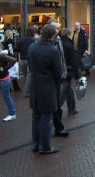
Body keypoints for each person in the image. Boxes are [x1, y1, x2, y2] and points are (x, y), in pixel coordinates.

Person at [27, 24, 61, 154]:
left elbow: (30, 67)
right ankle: (45, 147)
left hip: (35, 86)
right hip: (47, 88)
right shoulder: (53, 50)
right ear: (52, 35)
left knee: (36, 116)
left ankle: (36, 144)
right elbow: (58, 73)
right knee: (46, 118)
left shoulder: (32, 47)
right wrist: (55, 83)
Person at [49, 19, 70, 137]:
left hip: (58, 77)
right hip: (49, 79)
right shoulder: (47, 42)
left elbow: (62, 58)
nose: (58, 30)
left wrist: (64, 71)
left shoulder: (58, 40)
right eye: (56, 28)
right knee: (51, 105)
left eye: (58, 28)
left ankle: (59, 127)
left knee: (57, 105)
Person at [60, 28, 80, 115]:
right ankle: (54, 110)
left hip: (60, 70)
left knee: (69, 90)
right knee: (63, 92)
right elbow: (73, 62)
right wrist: (77, 76)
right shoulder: (69, 45)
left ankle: (71, 109)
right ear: (69, 35)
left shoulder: (59, 43)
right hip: (67, 71)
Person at [18, 27, 35, 97]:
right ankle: (27, 92)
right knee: (29, 76)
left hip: (22, 59)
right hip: (30, 60)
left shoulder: (21, 39)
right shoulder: (33, 40)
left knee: (26, 76)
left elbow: (17, 49)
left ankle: (28, 89)